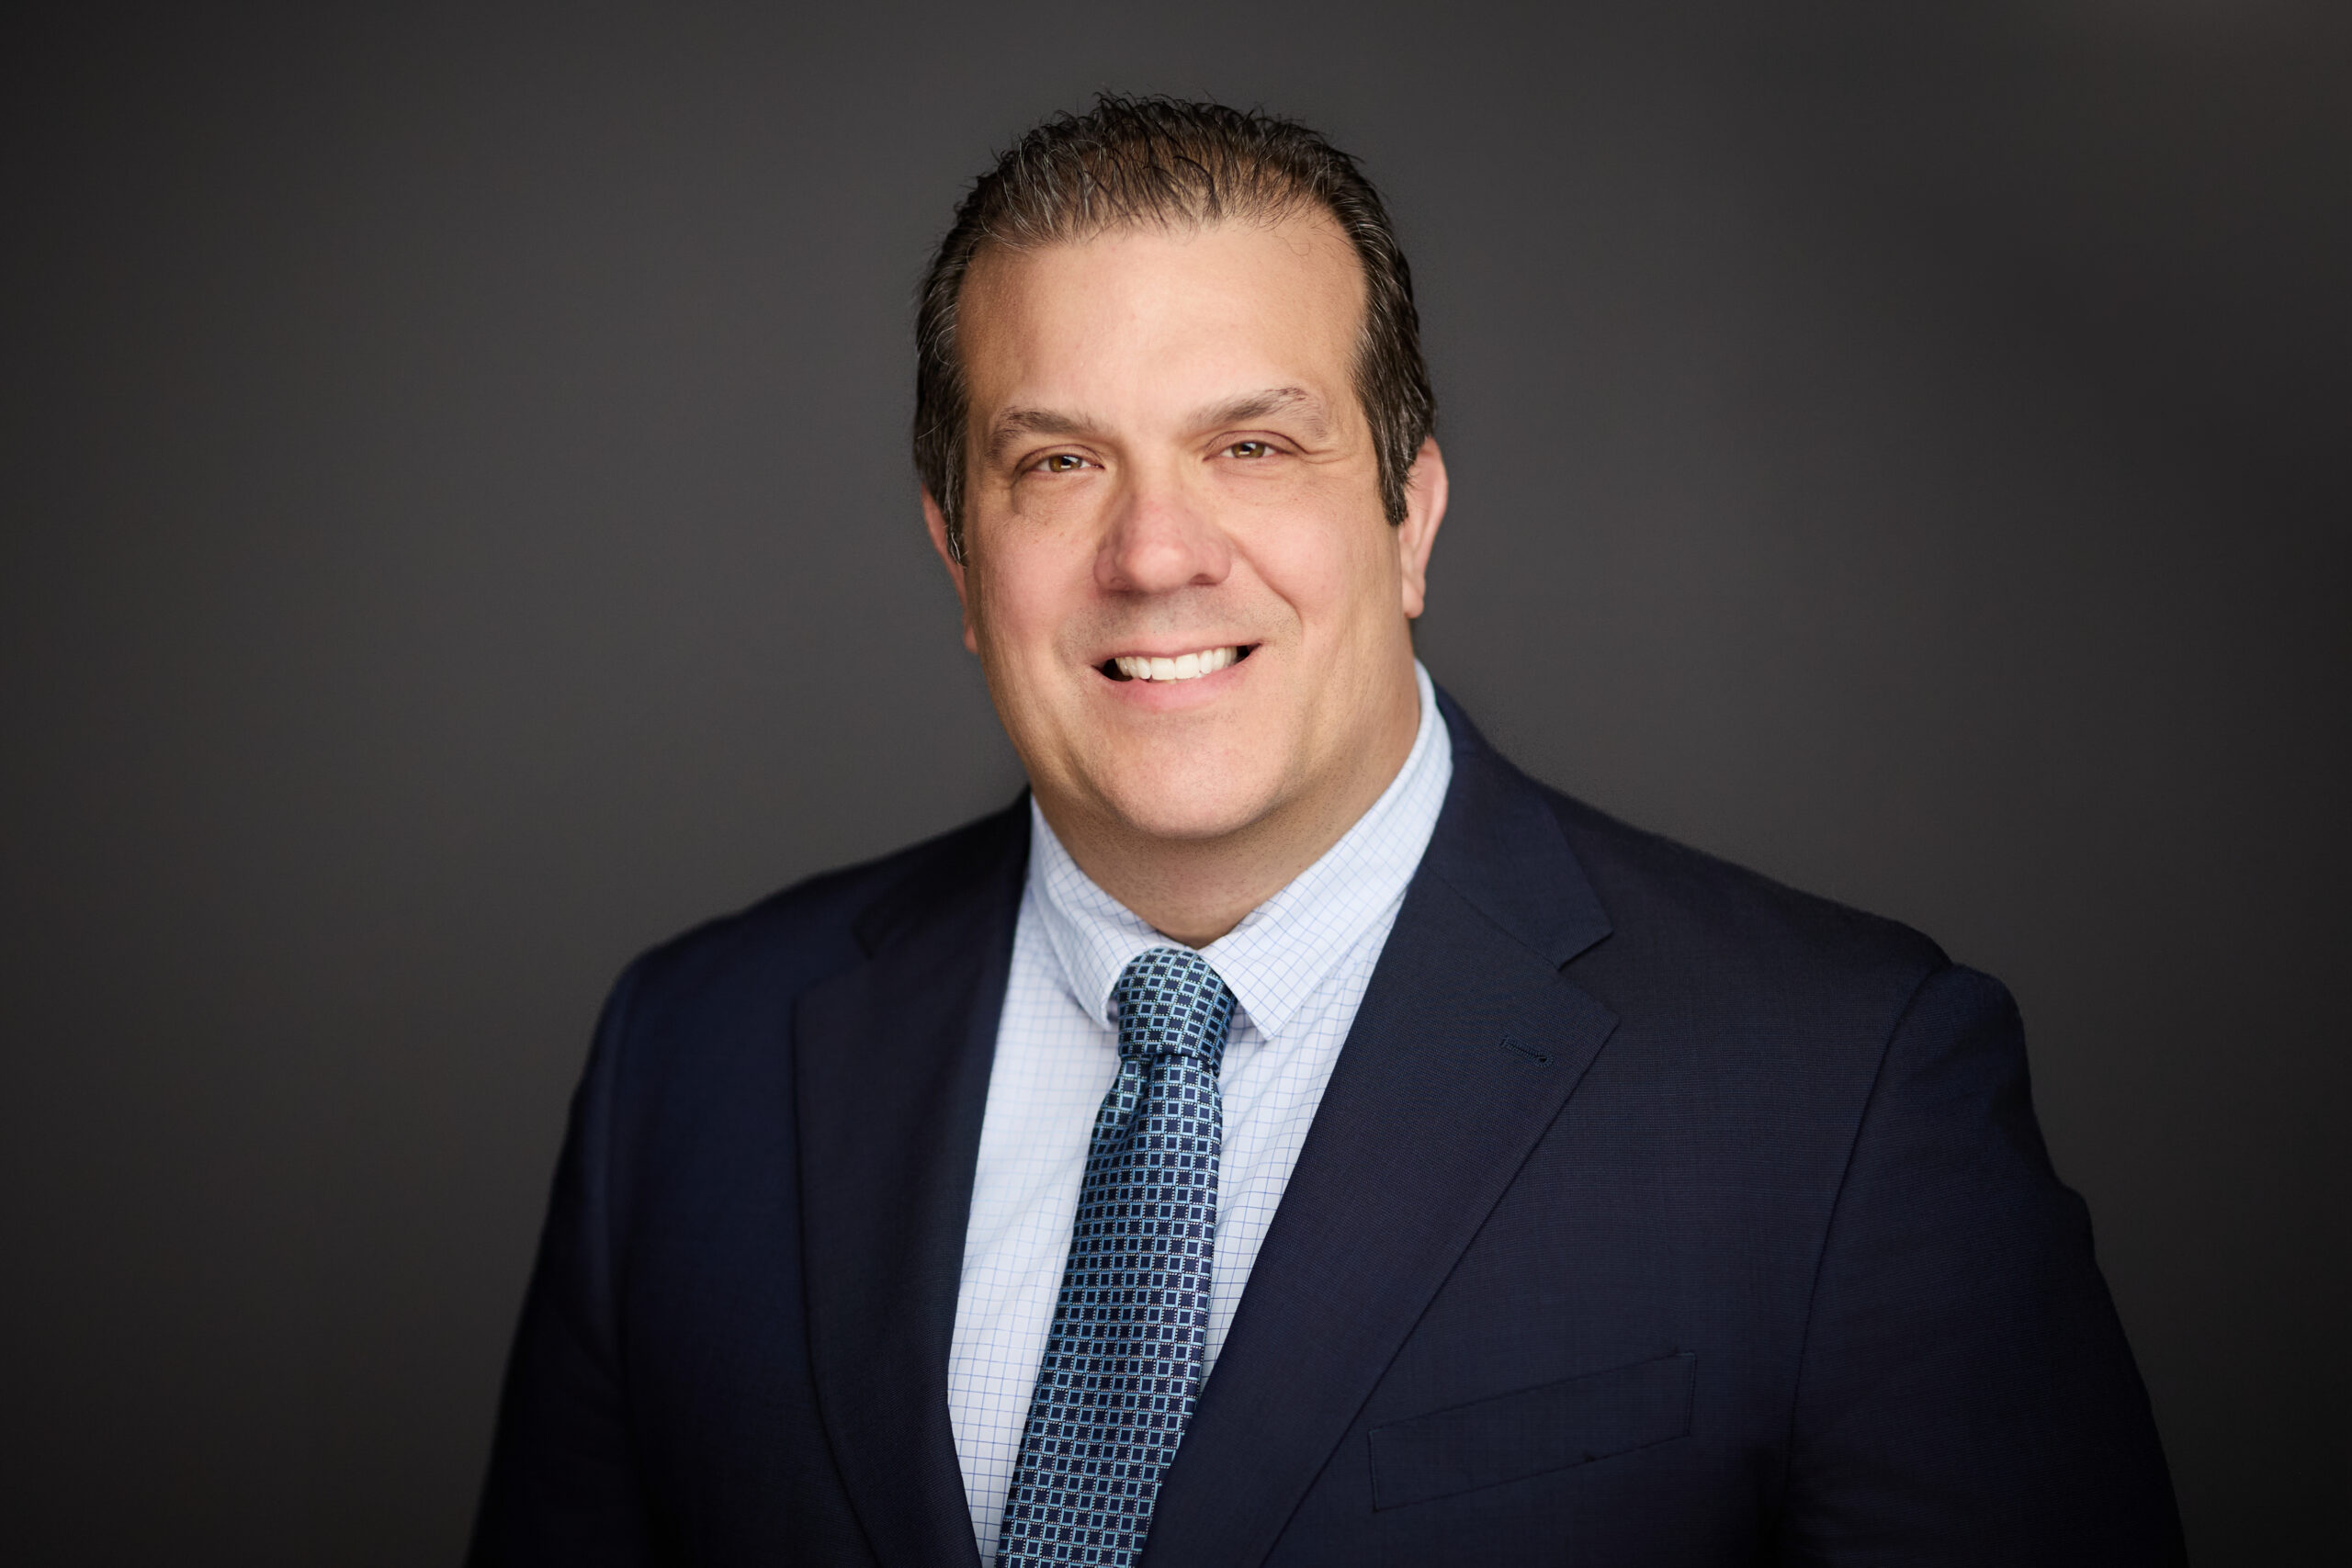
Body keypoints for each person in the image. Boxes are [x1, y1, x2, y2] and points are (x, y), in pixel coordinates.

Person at [469, 96, 2182, 1567]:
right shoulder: (689, 1064)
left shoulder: (1842, 1096)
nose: (1158, 554)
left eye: (1254, 444)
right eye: (1058, 464)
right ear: (958, 556)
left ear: (1409, 512)